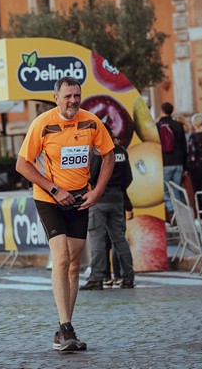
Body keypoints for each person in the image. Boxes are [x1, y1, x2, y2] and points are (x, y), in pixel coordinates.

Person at [16, 76, 115, 352]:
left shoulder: (91, 122)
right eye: (68, 96)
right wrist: (54, 189)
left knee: (74, 263)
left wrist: (96, 193)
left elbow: (109, 155)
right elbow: (22, 165)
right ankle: (66, 328)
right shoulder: (42, 123)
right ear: (55, 98)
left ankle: (64, 328)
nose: (73, 100)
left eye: (77, 95)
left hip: (80, 198)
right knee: (60, 258)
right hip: (49, 198)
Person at [80, 124, 134, 290]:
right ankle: (128, 277)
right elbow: (128, 178)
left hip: (99, 198)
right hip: (117, 198)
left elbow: (91, 174)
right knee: (119, 238)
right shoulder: (122, 151)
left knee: (97, 239)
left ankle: (97, 277)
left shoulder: (98, 150)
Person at [157, 102, 187, 219]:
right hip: (179, 162)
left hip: (165, 162)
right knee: (176, 190)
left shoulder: (158, 125)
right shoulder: (178, 125)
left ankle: (171, 209)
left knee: (164, 190)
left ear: (162, 110)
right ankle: (178, 213)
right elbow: (184, 147)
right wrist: (185, 166)